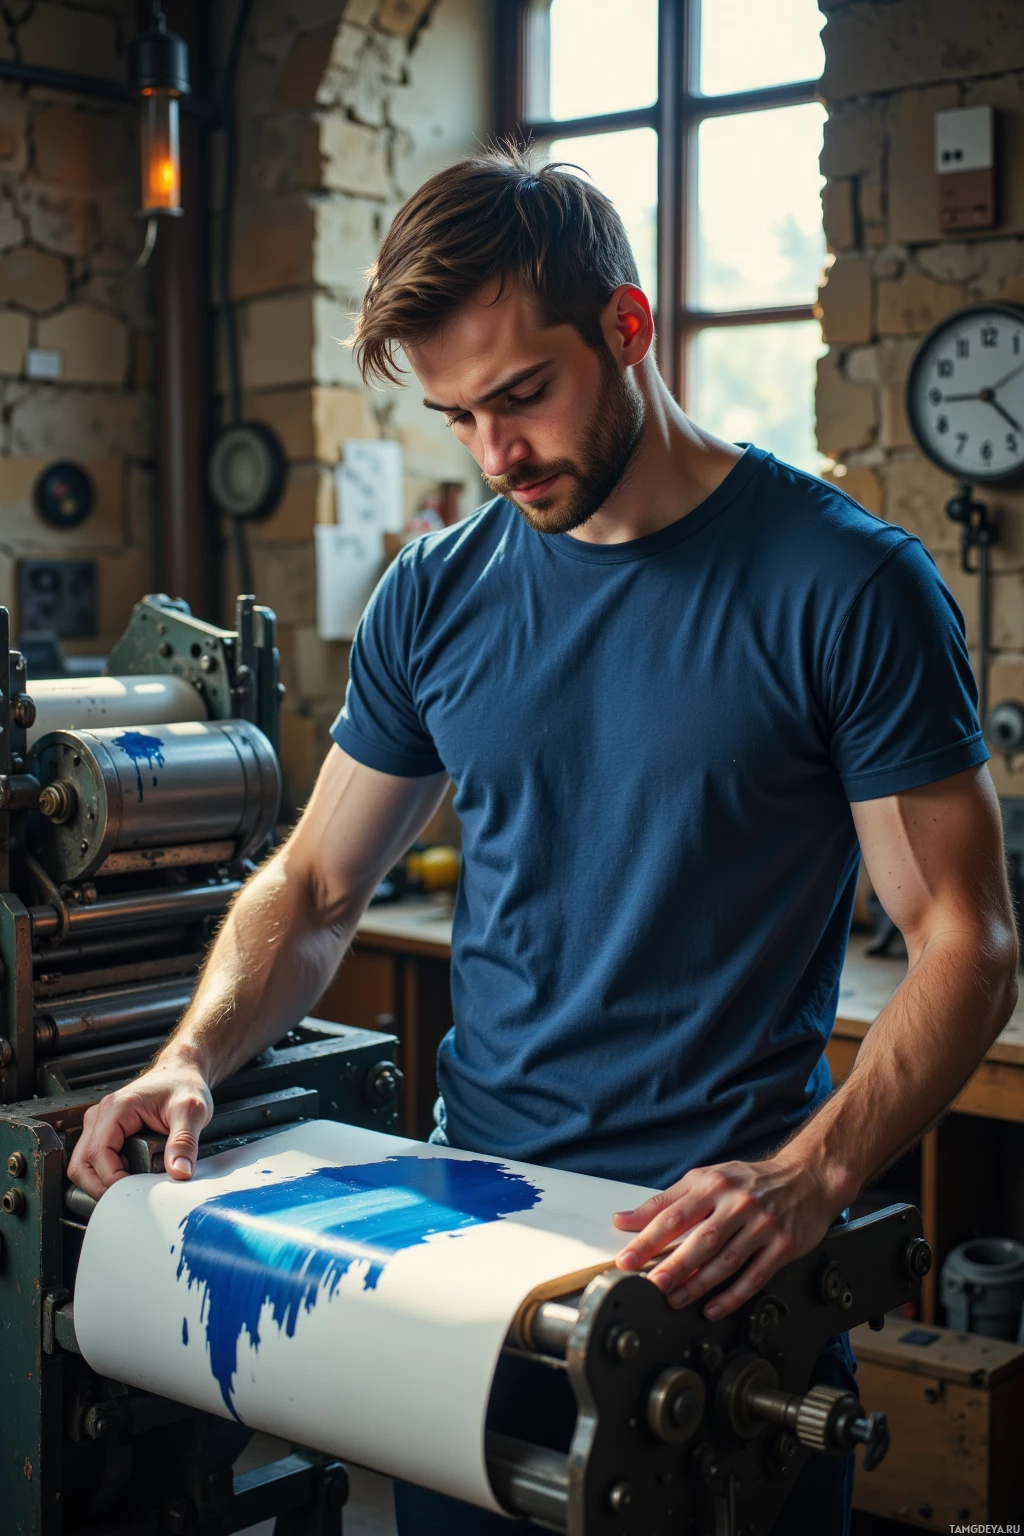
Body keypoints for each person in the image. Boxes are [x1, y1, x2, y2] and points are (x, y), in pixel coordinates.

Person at [70, 148, 1017, 1535]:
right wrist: (190, 1055)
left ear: (629, 329)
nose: (498, 453)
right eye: (459, 417)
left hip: (710, 1260)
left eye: (524, 395)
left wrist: (811, 1173)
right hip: (471, 1258)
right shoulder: (440, 594)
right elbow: (321, 884)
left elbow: (965, 939)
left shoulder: (846, 586)